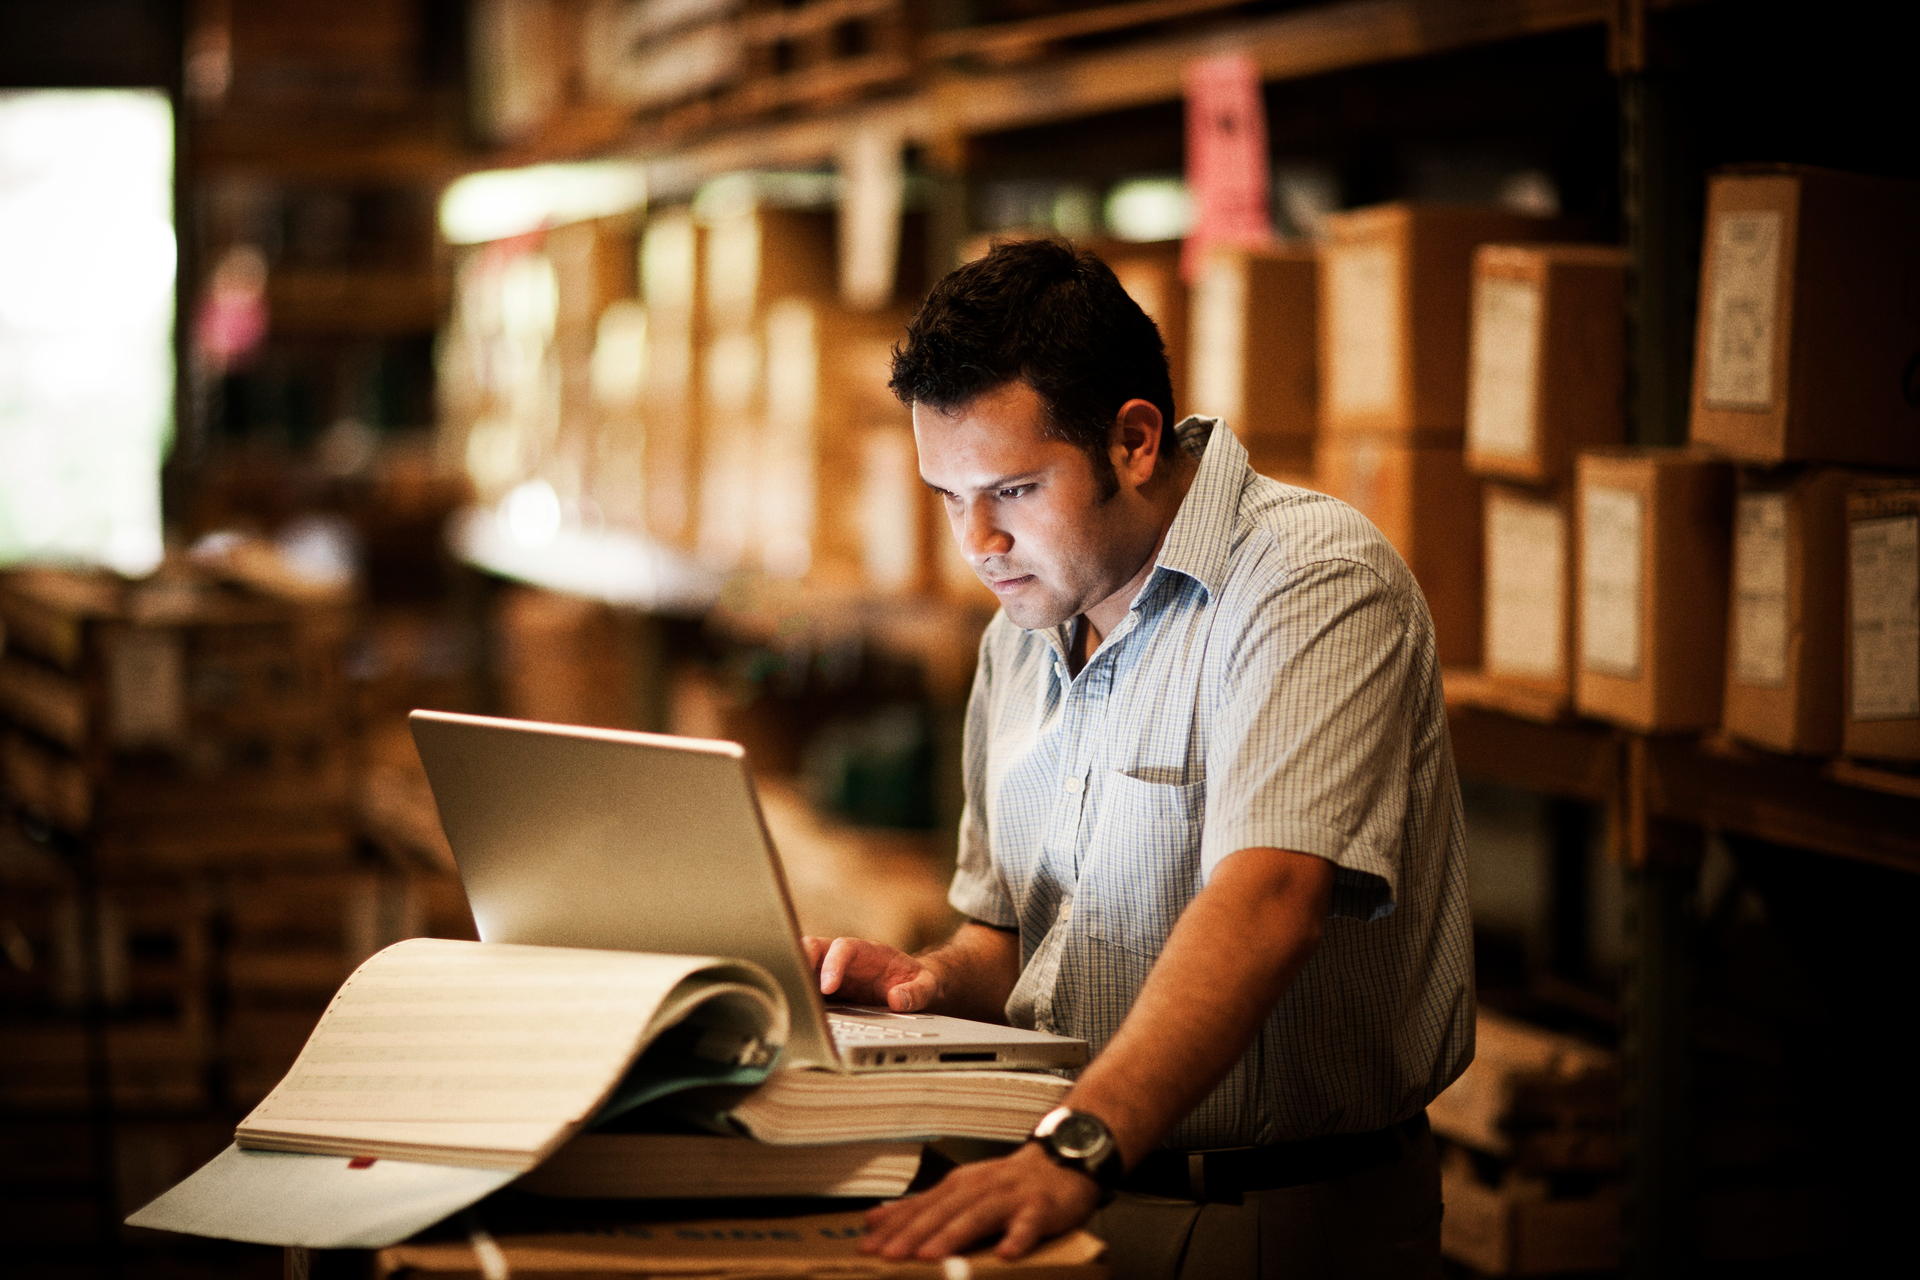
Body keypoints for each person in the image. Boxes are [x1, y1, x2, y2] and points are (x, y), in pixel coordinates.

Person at [802, 237, 1473, 1279]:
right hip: (1065, 1179)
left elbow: (1270, 901)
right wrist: (929, 984)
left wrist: (1075, 1147)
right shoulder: (1021, 631)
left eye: (1014, 489)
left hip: (1267, 1216)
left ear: (1133, 441)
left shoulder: (1310, 583)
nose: (977, 542)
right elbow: (1015, 935)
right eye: (947, 495)